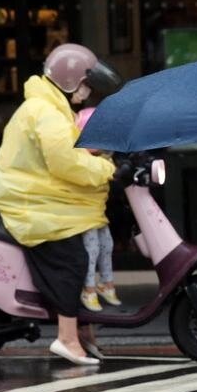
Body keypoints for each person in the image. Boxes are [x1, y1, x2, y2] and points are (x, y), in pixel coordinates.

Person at [0, 43, 120, 366]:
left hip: (38, 197)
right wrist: (108, 170)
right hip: (30, 205)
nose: (88, 92)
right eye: (86, 84)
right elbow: (66, 163)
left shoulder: (51, 107)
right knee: (72, 258)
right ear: (71, 81)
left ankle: (85, 334)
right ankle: (67, 338)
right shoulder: (46, 112)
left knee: (88, 244)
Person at [74, 107, 120, 313]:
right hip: (84, 215)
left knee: (107, 245)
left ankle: (106, 282)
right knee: (91, 249)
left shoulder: (104, 157)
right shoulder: (78, 159)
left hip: (98, 213)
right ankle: (89, 287)